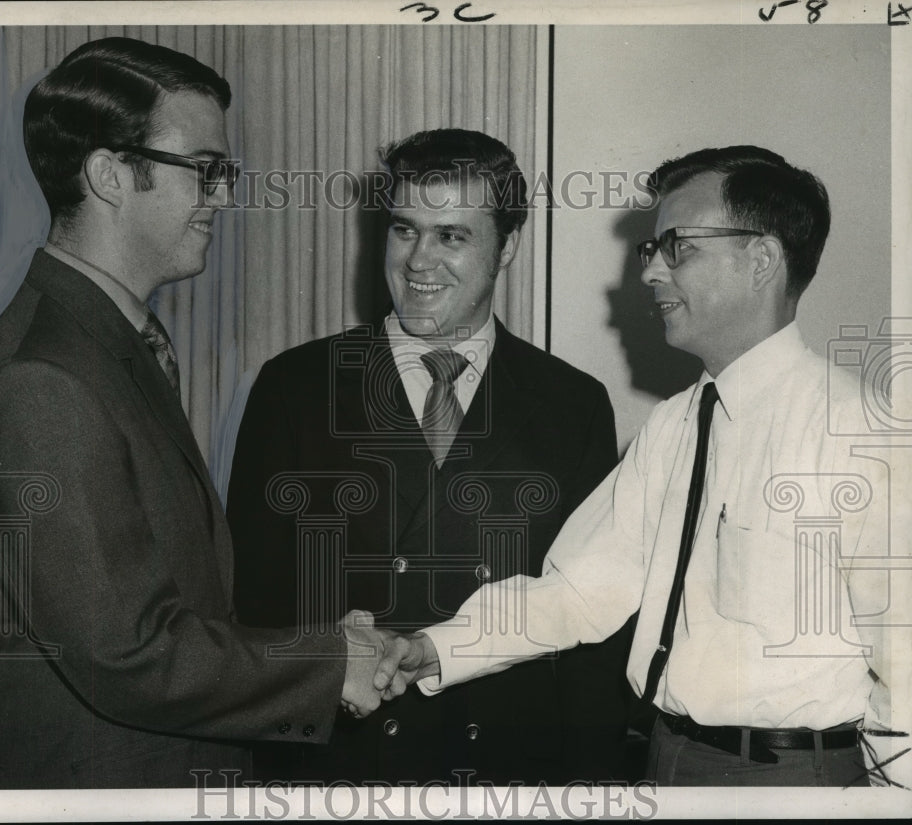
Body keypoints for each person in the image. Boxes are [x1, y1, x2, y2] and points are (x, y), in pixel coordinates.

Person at [0, 36, 398, 790]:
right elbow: (129, 653)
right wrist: (327, 664)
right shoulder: (42, 379)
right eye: (207, 171)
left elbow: (171, 598)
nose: (222, 196)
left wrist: (318, 643)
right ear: (109, 175)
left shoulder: (101, 342)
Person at [380, 145, 903, 787]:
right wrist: (429, 650)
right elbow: (579, 592)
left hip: (797, 778)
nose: (651, 273)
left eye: (677, 247)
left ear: (762, 260)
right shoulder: (673, 426)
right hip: (664, 763)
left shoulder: (863, 430)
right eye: (650, 251)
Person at [225, 128, 632, 785]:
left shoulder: (572, 404)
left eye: (452, 236)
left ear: (508, 246)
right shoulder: (297, 385)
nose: (418, 261)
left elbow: (592, 633)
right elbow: (253, 606)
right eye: (404, 229)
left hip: (505, 776)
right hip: (340, 767)